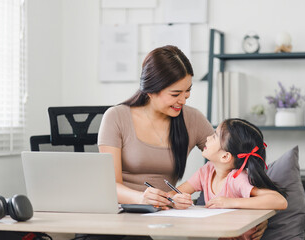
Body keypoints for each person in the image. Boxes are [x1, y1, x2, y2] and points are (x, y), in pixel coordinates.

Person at [98, 45, 268, 239]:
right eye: (175, 94)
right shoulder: (116, 117)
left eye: (187, 91)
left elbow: (234, 158)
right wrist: (141, 198)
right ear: (151, 90)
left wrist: (254, 214)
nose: (183, 100)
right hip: (117, 214)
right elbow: (110, 185)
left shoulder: (192, 119)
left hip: (162, 217)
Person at [168, 118, 288, 240]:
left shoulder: (237, 178)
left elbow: (280, 201)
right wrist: (175, 199)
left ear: (225, 156)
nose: (208, 138)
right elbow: (173, 192)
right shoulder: (206, 171)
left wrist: (230, 203)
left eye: (214, 136)